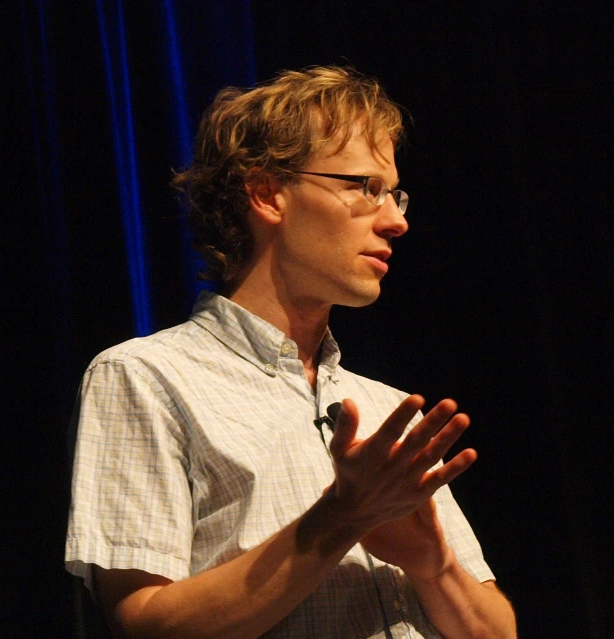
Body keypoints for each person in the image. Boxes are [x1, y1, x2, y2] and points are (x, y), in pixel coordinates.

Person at [65, 66, 517, 638]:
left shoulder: (389, 410)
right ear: (267, 193)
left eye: (395, 193)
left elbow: (496, 633)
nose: (397, 220)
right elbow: (147, 626)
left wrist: (437, 566)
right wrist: (342, 516)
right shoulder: (147, 378)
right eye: (364, 187)